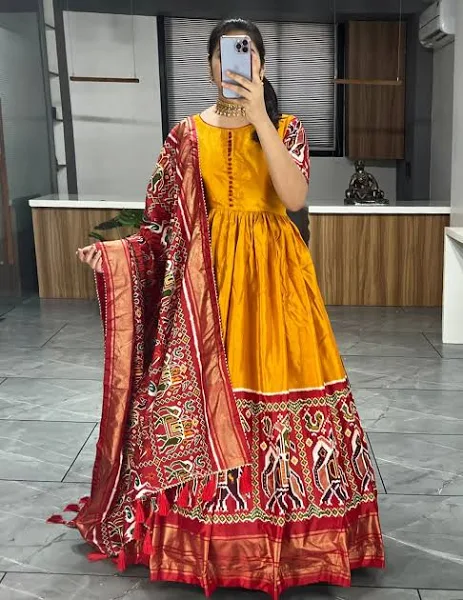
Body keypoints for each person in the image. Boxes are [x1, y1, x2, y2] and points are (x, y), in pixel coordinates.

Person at [55, 18, 384, 599]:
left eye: (247, 53)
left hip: (278, 283)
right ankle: (207, 540)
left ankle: (298, 539)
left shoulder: (286, 127)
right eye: (226, 55)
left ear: (261, 65)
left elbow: (295, 196)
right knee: (208, 395)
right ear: (209, 67)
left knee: (282, 383)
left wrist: (259, 117)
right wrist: (114, 254)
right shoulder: (185, 135)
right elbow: (159, 222)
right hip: (206, 290)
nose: (235, 64)